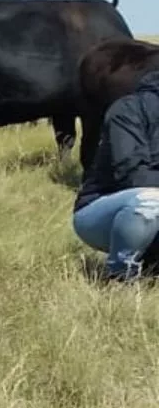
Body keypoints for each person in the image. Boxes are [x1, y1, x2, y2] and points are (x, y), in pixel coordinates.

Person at [73, 70, 159, 281]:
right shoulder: (130, 109)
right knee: (149, 200)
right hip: (104, 210)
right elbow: (133, 175)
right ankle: (121, 276)